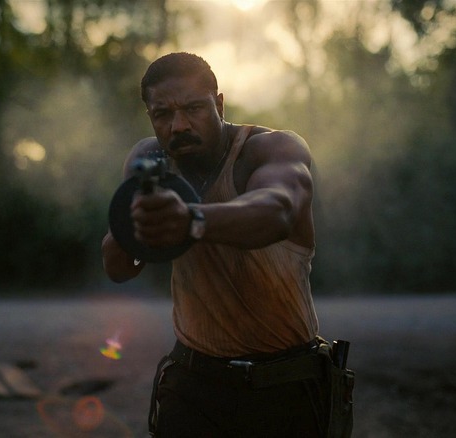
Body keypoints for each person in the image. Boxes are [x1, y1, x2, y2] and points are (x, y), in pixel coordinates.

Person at [102, 52, 335, 437]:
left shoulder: (269, 150)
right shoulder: (151, 160)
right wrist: (136, 229)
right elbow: (118, 267)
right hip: (193, 383)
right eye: (163, 115)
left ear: (219, 104)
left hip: (283, 384)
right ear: (150, 118)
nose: (179, 126)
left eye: (193, 108)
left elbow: (276, 211)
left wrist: (190, 220)